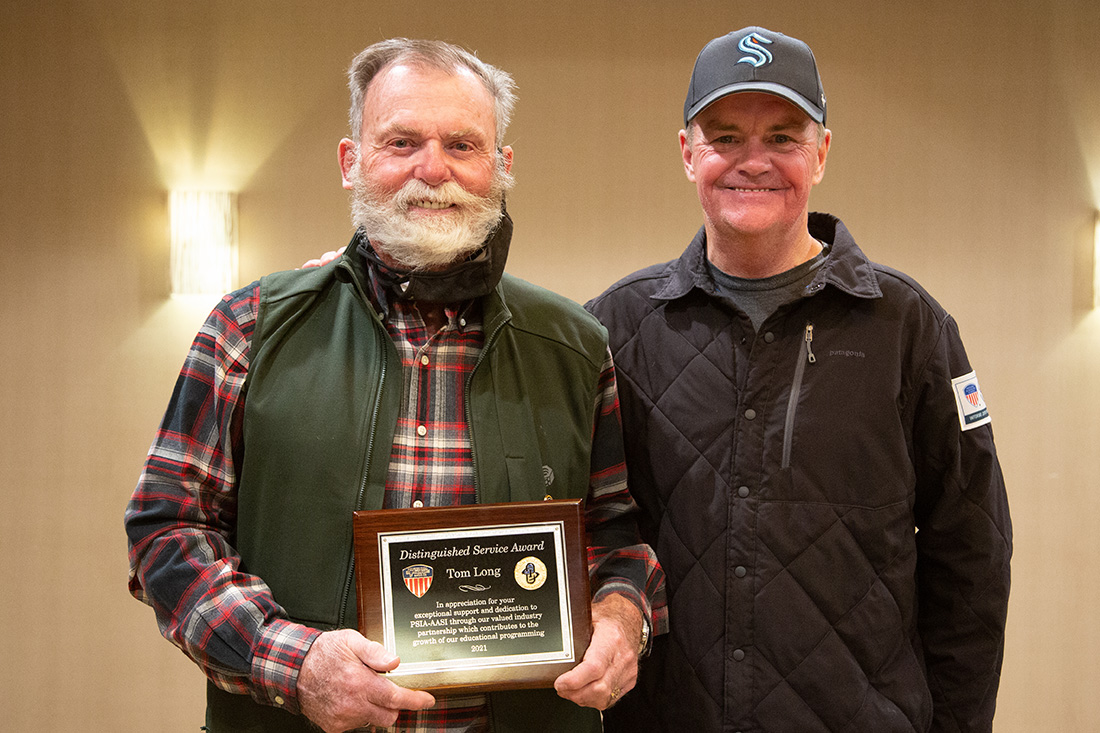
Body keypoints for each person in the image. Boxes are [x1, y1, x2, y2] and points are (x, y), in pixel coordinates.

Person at [125, 38, 665, 733]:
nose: (432, 170)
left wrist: (622, 618)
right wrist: (294, 662)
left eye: (462, 145)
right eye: (402, 141)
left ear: (501, 167)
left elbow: (614, 536)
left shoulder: (574, 345)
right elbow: (165, 530)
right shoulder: (247, 330)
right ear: (352, 163)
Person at [584, 27, 1012, 732]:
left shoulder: (910, 328)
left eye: (783, 137)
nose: (753, 161)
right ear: (687, 152)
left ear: (822, 151)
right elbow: (581, 525)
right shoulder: (615, 327)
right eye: (725, 136)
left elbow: (972, 555)